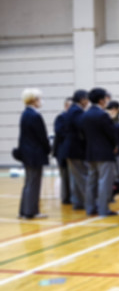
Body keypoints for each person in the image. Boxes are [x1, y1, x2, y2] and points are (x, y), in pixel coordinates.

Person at [80, 88, 118, 216]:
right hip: (104, 153)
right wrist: (115, 145)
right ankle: (103, 209)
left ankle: (90, 208)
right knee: (104, 182)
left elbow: (82, 135)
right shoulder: (102, 115)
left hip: (90, 153)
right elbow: (111, 134)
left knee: (91, 182)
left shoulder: (85, 114)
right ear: (102, 100)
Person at [17, 88, 51, 219]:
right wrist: (48, 149)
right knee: (34, 183)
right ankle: (31, 211)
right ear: (34, 100)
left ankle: (24, 210)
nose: (41, 101)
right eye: (39, 98)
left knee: (29, 182)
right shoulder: (35, 115)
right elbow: (42, 136)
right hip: (35, 154)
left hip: (27, 153)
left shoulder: (25, 114)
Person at [63, 89, 90, 211]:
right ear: (82, 99)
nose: (88, 101)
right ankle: (89, 203)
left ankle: (79, 202)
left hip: (71, 149)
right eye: (86, 98)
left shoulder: (73, 110)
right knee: (83, 176)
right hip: (76, 149)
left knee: (77, 177)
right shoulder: (77, 111)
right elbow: (82, 128)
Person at [53, 97, 73, 205]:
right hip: (61, 151)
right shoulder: (61, 117)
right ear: (66, 106)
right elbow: (59, 132)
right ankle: (66, 198)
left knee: (71, 175)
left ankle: (71, 196)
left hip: (69, 151)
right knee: (64, 175)